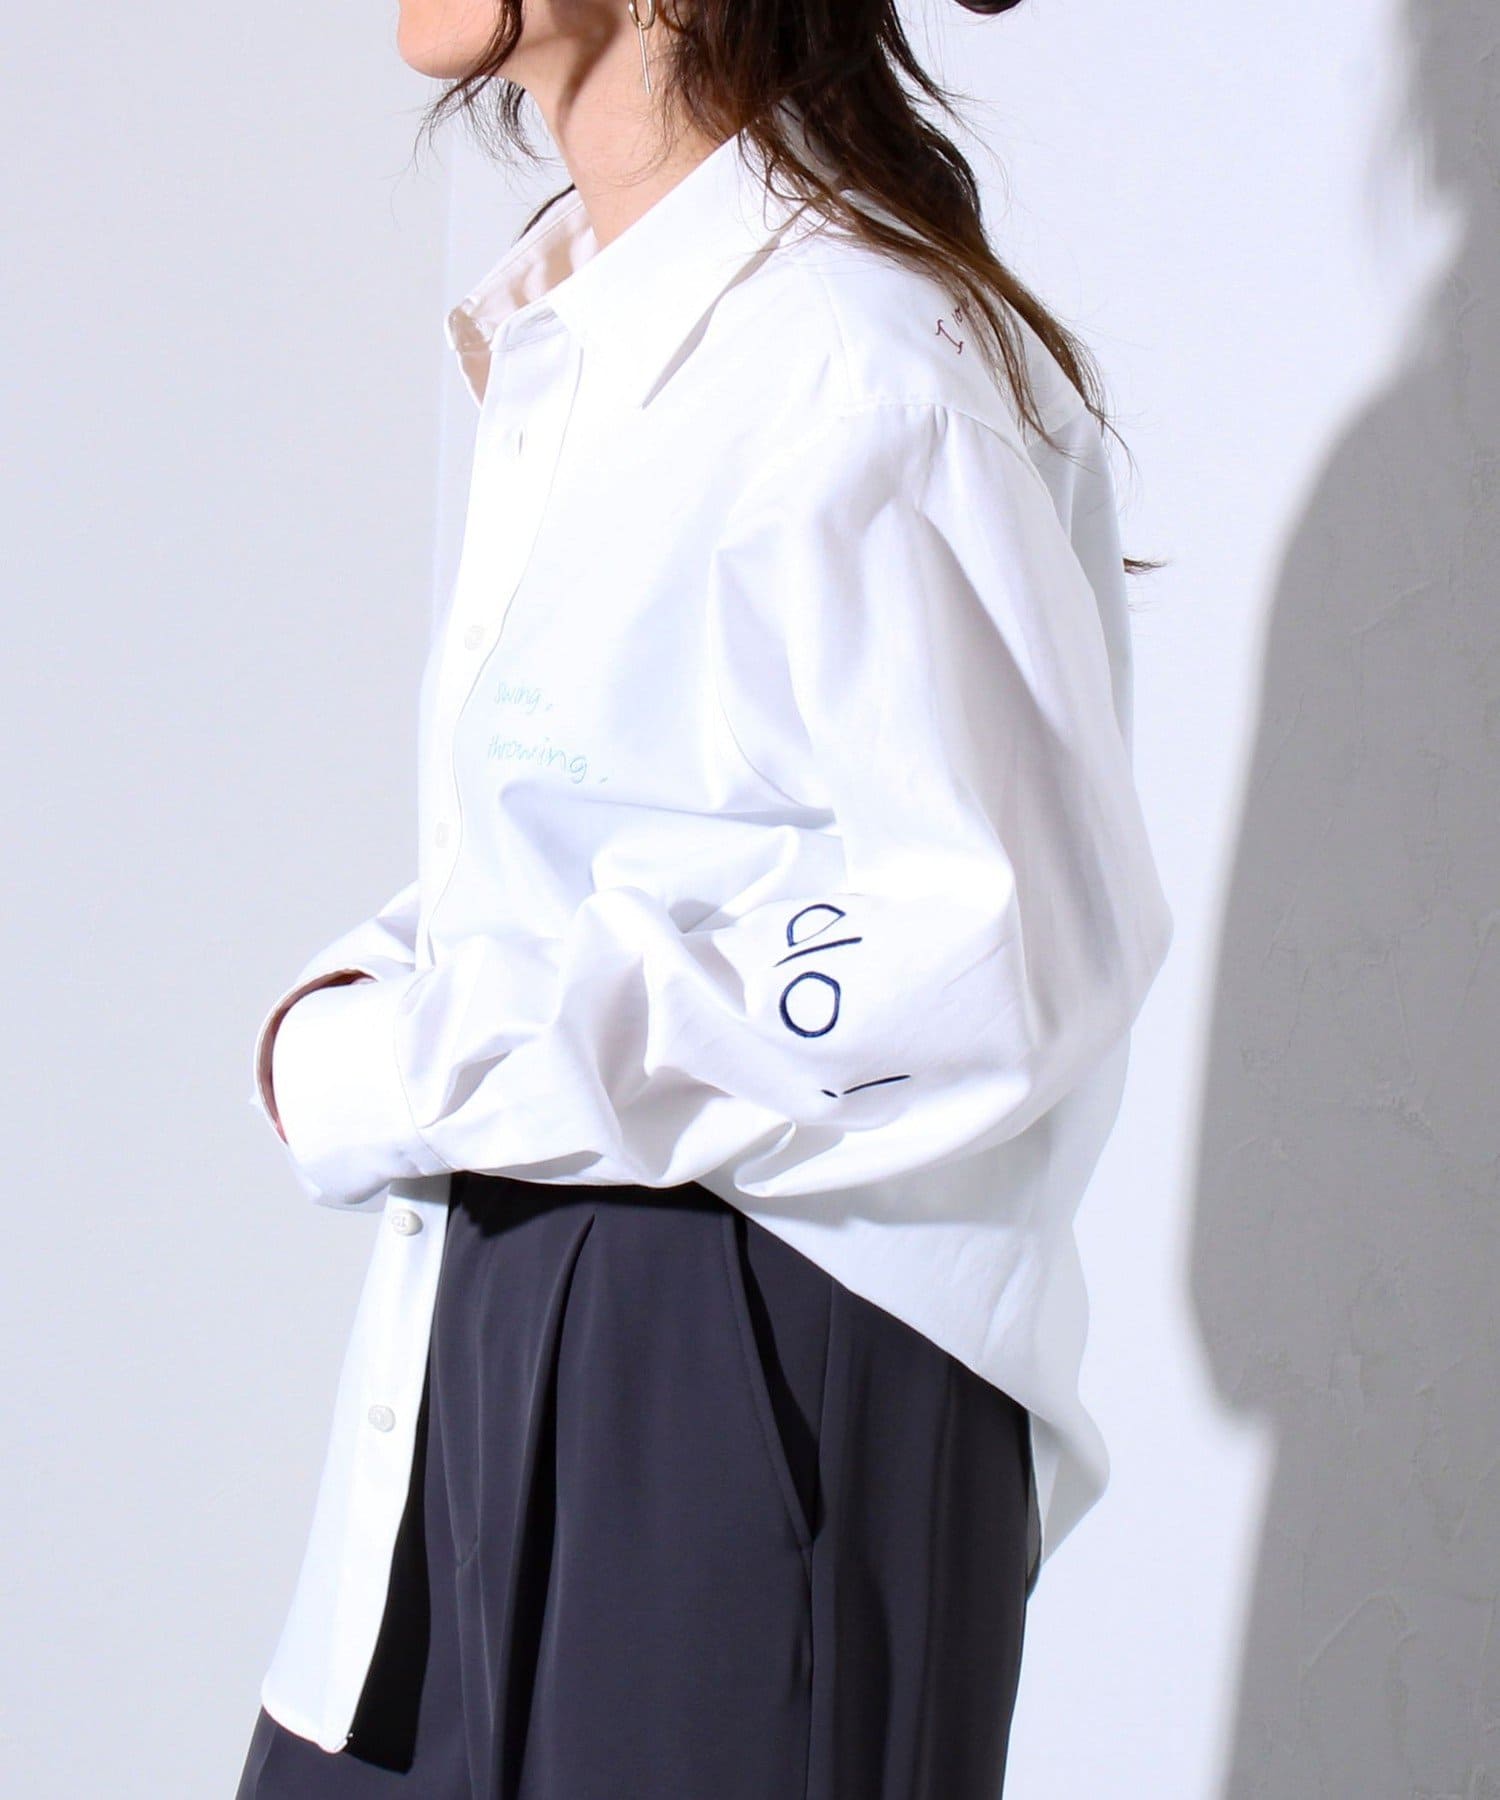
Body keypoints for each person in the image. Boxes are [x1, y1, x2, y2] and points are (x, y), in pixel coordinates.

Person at [234, 0, 1175, 1793]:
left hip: (752, 1340)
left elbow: (998, 951)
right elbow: (633, 844)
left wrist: (421, 1066)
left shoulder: (858, 361)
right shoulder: (597, 337)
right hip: (515, 1297)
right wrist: (381, 1003)